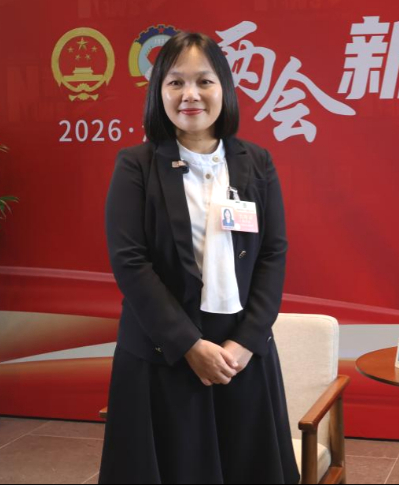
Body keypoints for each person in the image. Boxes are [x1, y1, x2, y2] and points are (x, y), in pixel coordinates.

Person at [99, 31, 299, 484]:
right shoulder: (136, 164)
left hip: (240, 354)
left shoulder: (256, 162)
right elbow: (130, 262)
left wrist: (246, 342)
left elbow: (273, 254)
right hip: (163, 351)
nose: (190, 94)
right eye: (176, 82)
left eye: (204, 81)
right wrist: (189, 345)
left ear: (224, 89)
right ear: (159, 92)